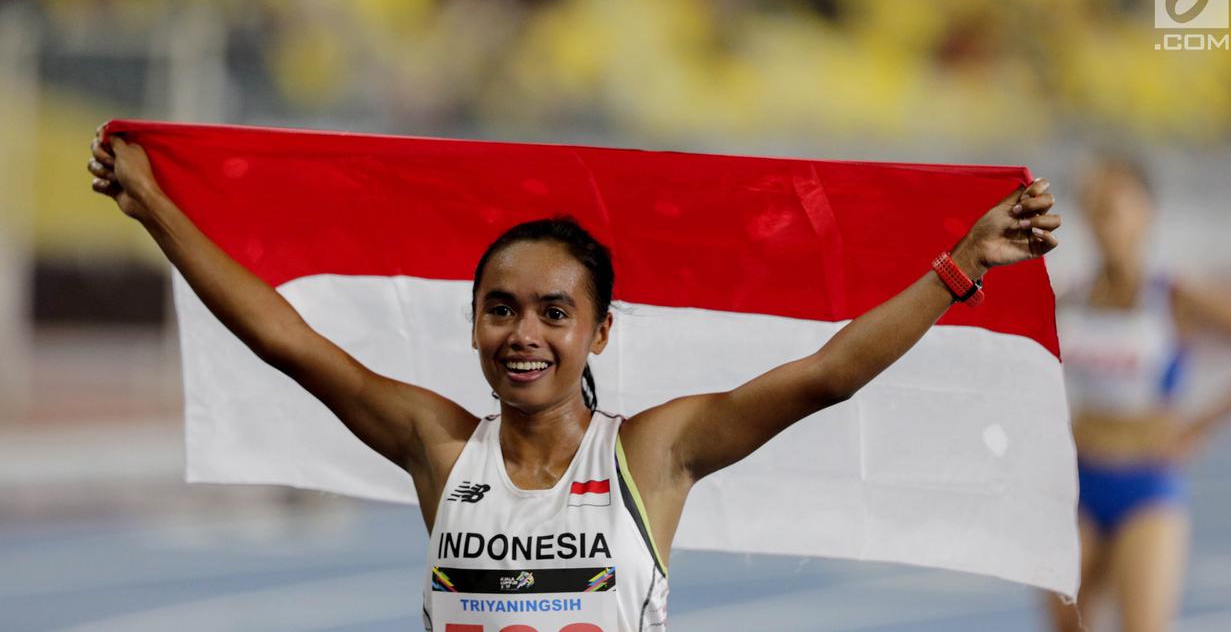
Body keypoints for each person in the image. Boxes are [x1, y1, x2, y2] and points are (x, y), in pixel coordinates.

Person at [89, 125, 1061, 632]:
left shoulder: (653, 450)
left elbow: (825, 374)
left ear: (599, 331)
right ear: (472, 320)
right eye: (501, 306)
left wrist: (960, 263)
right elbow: (287, 341)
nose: (524, 332)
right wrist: (155, 211)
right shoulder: (438, 442)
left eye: (555, 312)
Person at [1046, 150, 1231, 632]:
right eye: (1094, 208)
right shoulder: (1072, 296)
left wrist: (1198, 427)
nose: (1103, 221)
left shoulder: (1173, 296)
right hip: (1079, 484)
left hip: (1146, 489)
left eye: (1114, 207)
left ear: (1146, 211)